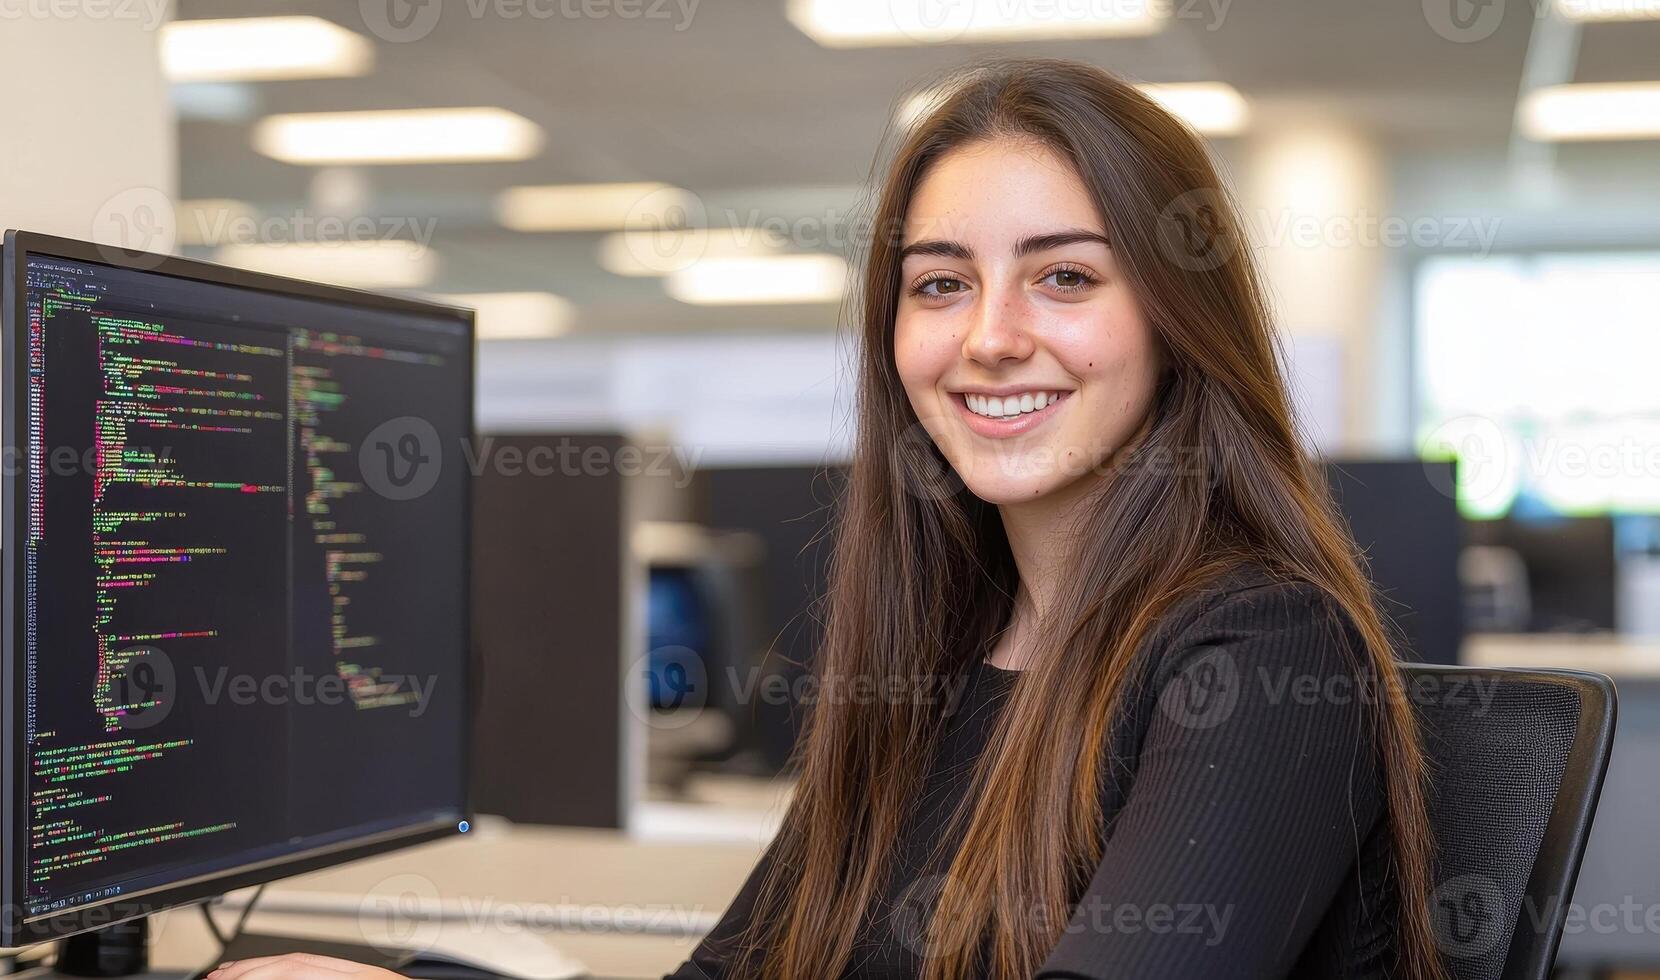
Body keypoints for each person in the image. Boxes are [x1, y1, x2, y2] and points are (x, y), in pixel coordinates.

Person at [208, 57, 1442, 980]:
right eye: (940, 283)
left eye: (1065, 274)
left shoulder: (1261, 652)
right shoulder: (935, 658)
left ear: (1180, 319)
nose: (989, 333)